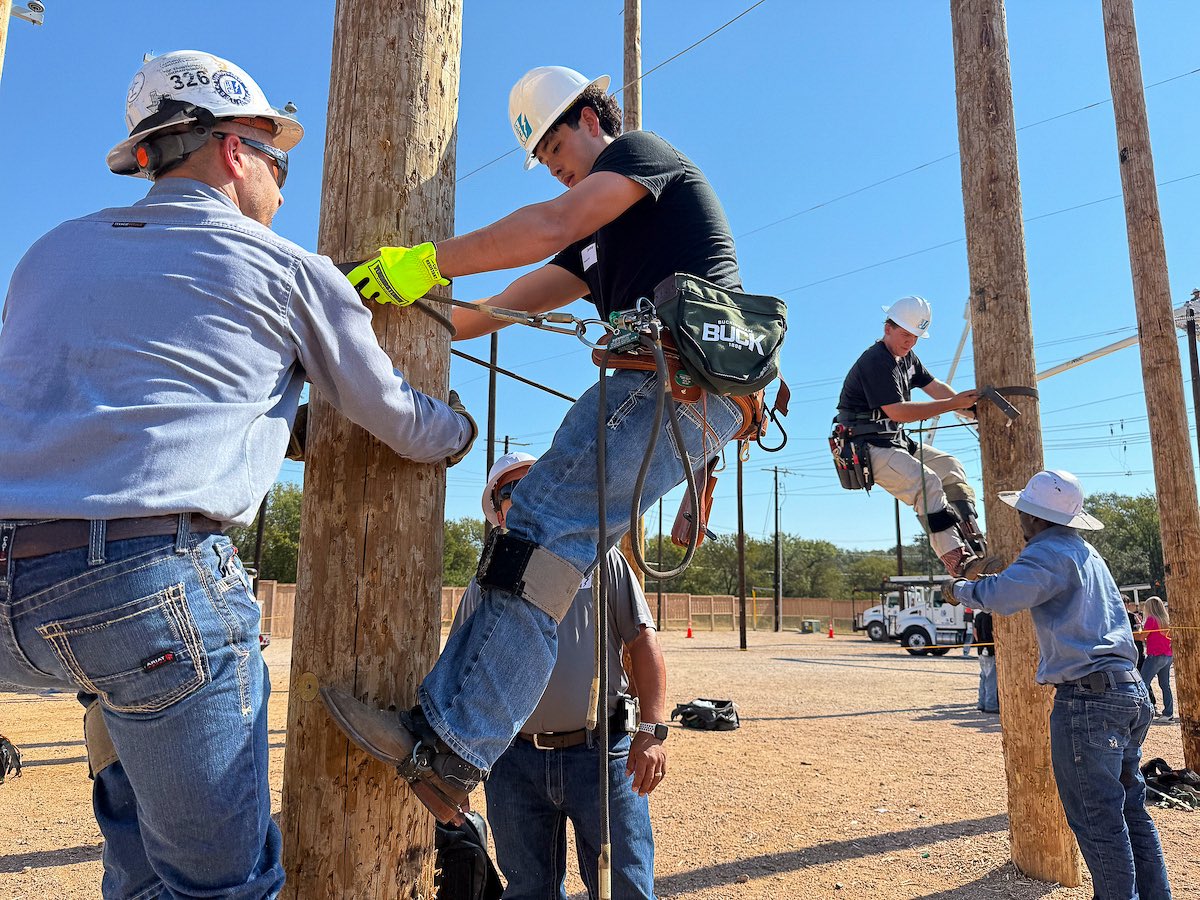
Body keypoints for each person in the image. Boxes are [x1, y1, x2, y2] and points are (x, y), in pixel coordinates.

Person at [0, 51, 475, 899]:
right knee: (217, 885)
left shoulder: (50, 252)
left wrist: (271, 424)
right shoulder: (290, 269)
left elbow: (114, 394)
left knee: (137, 817)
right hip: (144, 596)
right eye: (277, 156)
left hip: (10, 600)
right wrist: (458, 429)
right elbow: (399, 421)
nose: (284, 185)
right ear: (231, 150)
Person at [322, 66, 757, 821]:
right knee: (532, 537)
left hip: (673, 384)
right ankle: (441, 735)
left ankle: (456, 746)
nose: (556, 163)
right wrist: (373, 310)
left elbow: (551, 221)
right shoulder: (594, 250)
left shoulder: (643, 157)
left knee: (544, 537)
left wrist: (423, 260)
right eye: (546, 154)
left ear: (595, 119)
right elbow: (492, 310)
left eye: (558, 143)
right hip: (661, 391)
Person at [945, 470, 1172, 899]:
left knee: (1098, 820)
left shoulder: (1046, 552)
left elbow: (1001, 596)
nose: (1019, 521)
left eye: (1022, 513)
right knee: (1129, 811)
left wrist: (959, 588)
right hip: (1127, 691)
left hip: (1090, 698)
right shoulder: (1087, 552)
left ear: (1034, 516)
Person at [452, 452, 665, 899]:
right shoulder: (485, 582)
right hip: (512, 761)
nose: (526, 499)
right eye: (513, 491)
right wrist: (457, 764)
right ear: (497, 509)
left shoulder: (600, 561)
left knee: (623, 886)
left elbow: (643, 642)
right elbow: (461, 673)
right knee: (529, 890)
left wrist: (652, 730)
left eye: (537, 487)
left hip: (601, 753)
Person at [835, 297, 997, 579]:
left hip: (896, 442)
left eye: (916, 337)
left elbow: (934, 387)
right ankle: (958, 561)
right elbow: (898, 412)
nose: (910, 342)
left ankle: (973, 538)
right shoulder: (876, 361)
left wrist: (969, 408)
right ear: (888, 328)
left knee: (950, 467)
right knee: (928, 483)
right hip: (870, 447)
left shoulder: (907, 358)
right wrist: (952, 404)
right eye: (905, 335)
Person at [1139, 595, 1176, 724]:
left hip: (1155, 655)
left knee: (1142, 683)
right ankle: (1168, 713)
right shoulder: (1166, 620)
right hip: (1168, 655)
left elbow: (1142, 637)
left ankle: (1143, 713)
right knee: (1165, 685)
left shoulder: (1151, 620)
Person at [1125, 596, 1158, 709]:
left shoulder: (1133, 617)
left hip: (1138, 650)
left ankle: (1151, 703)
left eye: (1125, 603)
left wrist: (1129, 635)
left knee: (1143, 678)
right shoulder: (1114, 616)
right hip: (1125, 651)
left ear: (1128, 605)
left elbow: (1140, 633)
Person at [972, 611, 998, 714]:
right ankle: (991, 704)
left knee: (983, 677)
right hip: (990, 651)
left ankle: (981, 703)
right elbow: (993, 633)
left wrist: (980, 644)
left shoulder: (978, 616)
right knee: (991, 678)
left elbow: (975, 632)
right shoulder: (992, 618)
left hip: (981, 650)